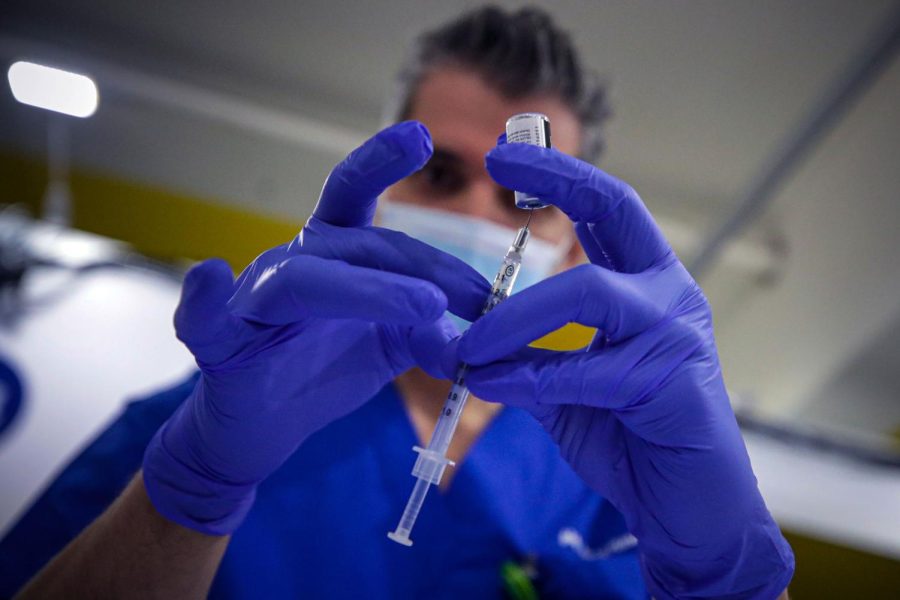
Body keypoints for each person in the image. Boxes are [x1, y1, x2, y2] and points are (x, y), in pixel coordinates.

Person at [0, 7, 794, 599]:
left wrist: (728, 584)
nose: (482, 218)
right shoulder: (213, 425)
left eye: (526, 193)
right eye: (442, 177)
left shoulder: (625, 484)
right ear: (384, 193)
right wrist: (191, 495)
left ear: (578, 242)